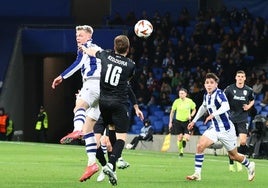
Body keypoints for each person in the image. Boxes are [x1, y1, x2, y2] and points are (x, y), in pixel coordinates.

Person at [81, 35, 140, 186]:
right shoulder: (131, 65)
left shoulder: (105, 55)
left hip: (103, 103)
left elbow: (93, 52)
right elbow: (127, 82)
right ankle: (111, 163)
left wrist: (84, 48)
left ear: (114, 47)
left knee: (109, 132)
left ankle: (109, 166)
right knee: (121, 139)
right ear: (128, 48)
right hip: (118, 104)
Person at [186, 73, 255, 182]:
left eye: (211, 83)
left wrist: (213, 114)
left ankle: (249, 165)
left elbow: (226, 106)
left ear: (216, 85)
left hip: (227, 130)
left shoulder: (219, 94)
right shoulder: (206, 96)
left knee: (234, 156)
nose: (209, 85)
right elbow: (203, 107)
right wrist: (194, 121)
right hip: (215, 128)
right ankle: (197, 174)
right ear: (204, 85)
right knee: (200, 145)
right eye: (207, 83)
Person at [51, 25, 101, 145]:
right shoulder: (99, 49)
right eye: (77, 35)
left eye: (81, 35)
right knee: (89, 129)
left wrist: (62, 76)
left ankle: (77, 130)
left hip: (92, 82)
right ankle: (93, 162)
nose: (78, 38)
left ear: (89, 36)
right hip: (102, 87)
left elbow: (78, 63)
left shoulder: (86, 48)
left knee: (79, 107)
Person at [224, 70, 255, 172]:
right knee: (231, 143)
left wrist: (248, 106)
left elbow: (252, 100)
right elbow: (222, 99)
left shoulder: (249, 90)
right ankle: (231, 162)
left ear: (245, 78)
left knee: (242, 142)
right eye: (239, 76)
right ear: (236, 77)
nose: (240, 78)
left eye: (242, 76)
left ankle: (240, 161)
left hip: (243, 118)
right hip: (231, 118)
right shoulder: (229, 89)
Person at [168, 88, 196, 157]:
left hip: (187, 122)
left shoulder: (190, 101)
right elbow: (172, 112)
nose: (181, 95)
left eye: (182, 93)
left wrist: (191, 115)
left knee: (187, 138)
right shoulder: (176, 101)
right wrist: (170, 122)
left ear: (186, 94)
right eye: (180, 93)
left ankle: (184, 141)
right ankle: (181, 152)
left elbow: (194, 109)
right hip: (178, 121)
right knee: (179, 138)